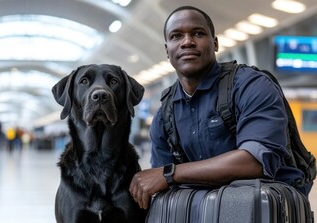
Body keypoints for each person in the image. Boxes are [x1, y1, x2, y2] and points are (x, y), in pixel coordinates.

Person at [129, 5, 305, 210]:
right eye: (177, 36)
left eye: (198, 33)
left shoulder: (251, 86)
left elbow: (256, 161)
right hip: (208, 218)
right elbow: (159, 184)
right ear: (167, 50)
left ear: (215, 43)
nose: (187, 42)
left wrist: (171, 173)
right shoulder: (165, 114)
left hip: (264, 215)